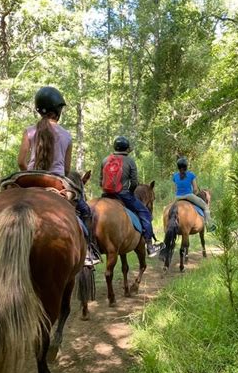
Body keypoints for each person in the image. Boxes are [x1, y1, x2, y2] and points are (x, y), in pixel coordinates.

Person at [17, 86, 100, 265]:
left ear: (39, 110)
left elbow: (21, 162)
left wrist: (29, 174)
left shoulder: (29, 131)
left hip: (29, 179)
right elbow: (66, 168)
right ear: (58, 111)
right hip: (56, 181)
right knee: (85, 211)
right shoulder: (66, 136)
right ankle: (89, 252)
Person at [100, 136, 163, 257]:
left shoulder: (105, 160)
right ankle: (150, 246)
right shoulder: (130, 161)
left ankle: (89, 248)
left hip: (106, 195)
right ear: (126, 148)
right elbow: (134, 183)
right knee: (145, 213)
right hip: (123, 195)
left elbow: (100, 181)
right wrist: (130, 192)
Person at [172, 157, 216, 231]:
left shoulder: (175, 176)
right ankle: (209, 225)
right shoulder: (191, 175)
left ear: (178, 167)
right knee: (205, 207)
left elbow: (175, 189)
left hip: (178, 197)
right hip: (189, 196)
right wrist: (194, 194)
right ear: (186, 166)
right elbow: (195, 189)